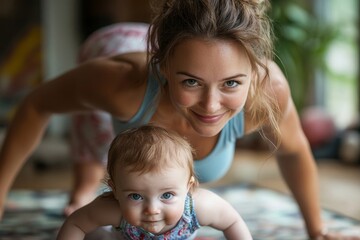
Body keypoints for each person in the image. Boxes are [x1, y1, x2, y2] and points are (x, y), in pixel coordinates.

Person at [0, 0, 347, 239]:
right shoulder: (121, 85)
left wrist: (316, 229)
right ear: (164, 69)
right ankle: (80, 190)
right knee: (95, 144)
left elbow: (294, 152)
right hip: (117, 50)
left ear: (252, 73)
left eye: (231, 84)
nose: (211, 105)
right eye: (191, 82)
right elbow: (36, 105)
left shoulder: (267, 91)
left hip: (175, 50)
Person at [57, 125, 252, 240]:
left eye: (167, 195)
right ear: (115, 190)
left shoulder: (200, 206)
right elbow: (76, 223)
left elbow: (232, 221)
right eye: (135, 196)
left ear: (189, 187)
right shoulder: (113, 209)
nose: (152, 209)